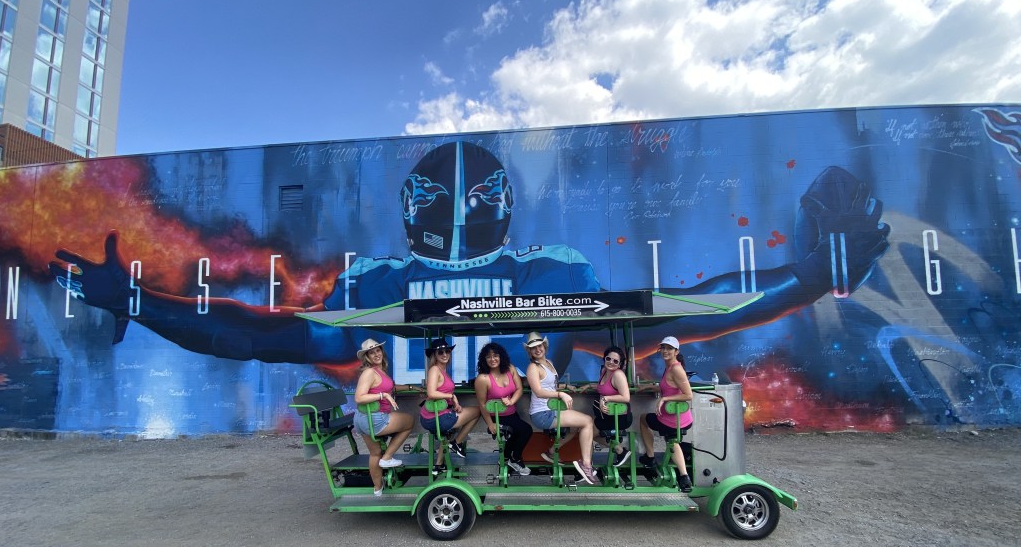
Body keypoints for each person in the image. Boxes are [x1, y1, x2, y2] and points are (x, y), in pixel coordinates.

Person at [49, 143, 889, 378]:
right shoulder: (391, 286)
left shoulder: (383, 287)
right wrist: (806, 278)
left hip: (514, 442)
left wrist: (141, 304)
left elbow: (261, 335)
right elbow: (687, 307)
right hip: (441, 438)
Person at [524, 331, 598, 485]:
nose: (537, 349)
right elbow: (538, 391)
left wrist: (565, 387)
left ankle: (551, 452)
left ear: (545, 346)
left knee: (576, 427)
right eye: (533, 348)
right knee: (587, 421)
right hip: (542, 414)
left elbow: (550, 385)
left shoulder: (549, 363)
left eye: (539, 346)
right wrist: (560, 394)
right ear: (529, 351)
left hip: (551, 410)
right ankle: (586, 465)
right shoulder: (533, 368)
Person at [351, 338, 417, 497]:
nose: (376, 354)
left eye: (378, 350)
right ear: (367, 357)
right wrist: (383, 395)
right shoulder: (369, 372)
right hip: (374, 419)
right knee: (410, 421)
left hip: (364, 418)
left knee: (375, 453)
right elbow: (359, 397)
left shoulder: (379, 371)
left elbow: (390, 387)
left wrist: (411, 387)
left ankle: (377, 489)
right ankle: (387, 457)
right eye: (371, 353)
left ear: (382, 351)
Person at [638, 336, 694, 493]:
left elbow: (688, 395)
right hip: (676, 418)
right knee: (671, 441)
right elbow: (669, 387)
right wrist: (651, 387)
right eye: (663, 347)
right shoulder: (669, 367)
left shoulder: (676, 369)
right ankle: (684, 477)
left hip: (674, 420)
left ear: (676, 351)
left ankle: (650, 457)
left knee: (643, 419)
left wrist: (665, 399)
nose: (665, 351)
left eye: (669, 348)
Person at [473, 342, 533, 476]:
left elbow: (519, 389)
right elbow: (482, 404)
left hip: (512, 413)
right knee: (526, 430)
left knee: (516, 434)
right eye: (488, 357)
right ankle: (515, 459)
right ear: (484, 360)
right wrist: (490, 424)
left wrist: (511, 401)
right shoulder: (482, 379)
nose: (492, 359)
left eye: (495, 355)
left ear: (501, 356)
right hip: (497, 417)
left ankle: (505, 458)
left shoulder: (510, 368)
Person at [420, 336, 480, 468]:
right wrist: (452, 396)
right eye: (440, 352)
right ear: (434, 355)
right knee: (478, 410)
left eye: (447, 351)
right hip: (436, 417)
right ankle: (457, 443)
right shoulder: (434, 369)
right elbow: (431, 393)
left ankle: (438, 465)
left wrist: (454, 403)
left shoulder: (442, 370)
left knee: (449, 431)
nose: (445, 354)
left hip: (438, 414)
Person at [586, 345, 633, 472]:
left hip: (619, 417)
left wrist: (606, 398)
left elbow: (626, 397)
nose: (611, 362)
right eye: (608, 358)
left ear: (620, 364)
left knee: (587, 431)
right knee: (587, 431)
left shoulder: (618, 375)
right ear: (604, 358)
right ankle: (619, 450)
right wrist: (589, 386)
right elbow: (604, 388)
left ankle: (588, 467)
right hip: (607, 415)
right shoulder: (604, 371)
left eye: (615, 361)